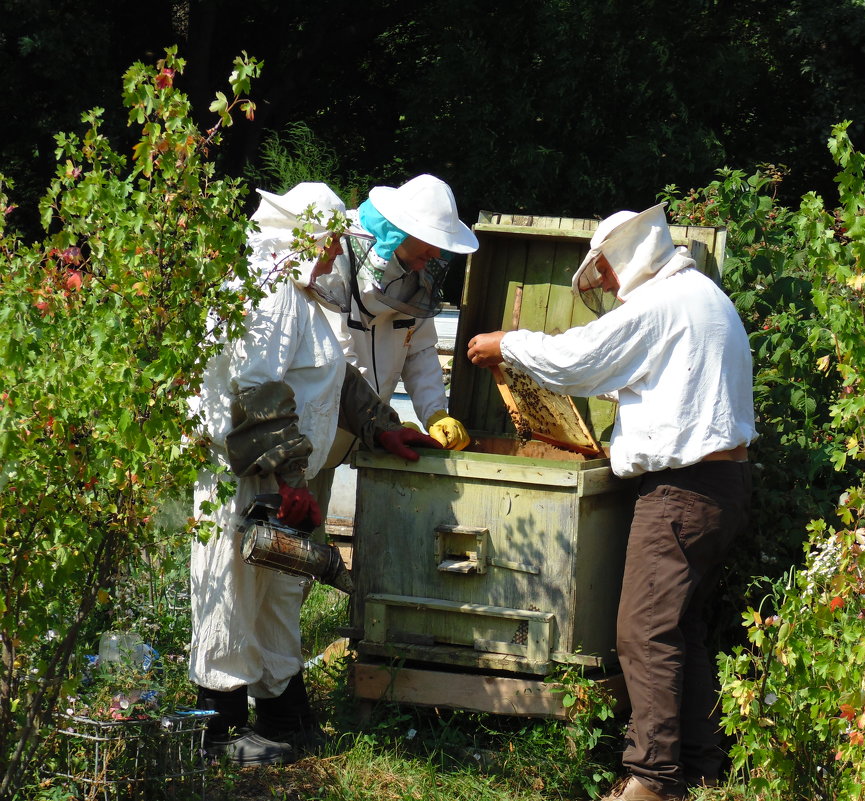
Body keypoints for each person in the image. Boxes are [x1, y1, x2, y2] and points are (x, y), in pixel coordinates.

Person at [466, 203, 757, 801]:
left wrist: (508, 343)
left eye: (602, 271)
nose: (604, 285)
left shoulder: (663, 304)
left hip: (682, 491)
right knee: (681, 627)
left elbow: (578, 360)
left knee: (643, 632)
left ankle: (651, 781)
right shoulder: (704, 296)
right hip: (723, 488)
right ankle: (699, 766)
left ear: (619, 256)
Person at [189, 182, 440, 767]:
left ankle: (281, 708)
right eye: (328, 243)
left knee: (277, 592)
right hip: (243, 476)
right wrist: (290, 481)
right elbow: (259, 392)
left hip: (274, 474)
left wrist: (381, 424)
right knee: (233, 588)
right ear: (299, 238)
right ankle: (218, 729)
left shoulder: (301, 296)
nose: (334, 255)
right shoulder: (268, 294)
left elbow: (334, 375)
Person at [331, 173, 479, 451]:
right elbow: (338, 360)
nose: (436, 252)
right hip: (310, 431)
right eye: (429, 239)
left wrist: (435, 412)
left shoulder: (417, 276)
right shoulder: (335, 258)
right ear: (399, 230)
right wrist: (385, 424)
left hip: (364, 433)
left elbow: (419, 349)